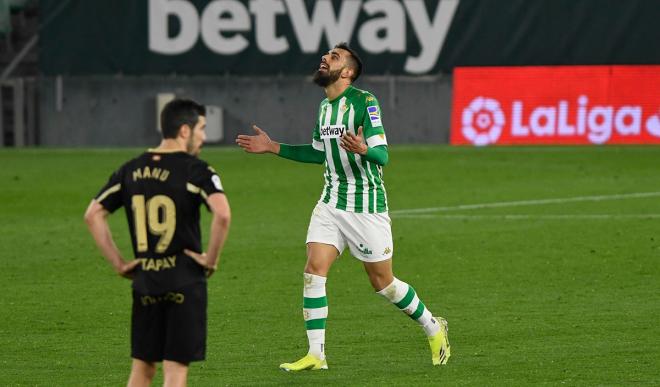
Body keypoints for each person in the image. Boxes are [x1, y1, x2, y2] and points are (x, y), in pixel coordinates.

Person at [236, 42, 450, 371]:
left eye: (333, 57)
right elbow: (319, 152)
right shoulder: (324, 109)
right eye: (325, 55)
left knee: (384, 284)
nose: (324, 58)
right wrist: (272, 146)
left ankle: (433, 327)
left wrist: (364, 148)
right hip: (331, 200)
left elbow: (383, 156)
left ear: (347, 72)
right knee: (313, 270)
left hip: (365, 206)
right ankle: (316, 354)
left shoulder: (365, 103)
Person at [84, 98, 231, 386]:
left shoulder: (130, 170)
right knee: (175, 369)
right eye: (201, 128)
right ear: (185, 131)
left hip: (146, 280)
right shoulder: (196, 170)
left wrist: (120, 264)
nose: (204, 136)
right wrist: (210, 260)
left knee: (142, 368)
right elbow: (223, 215)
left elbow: (93, 215)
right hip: (184, 280)